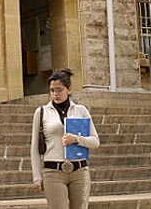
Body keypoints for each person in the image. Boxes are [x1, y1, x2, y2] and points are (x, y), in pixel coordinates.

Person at [30, 69, 100, 209]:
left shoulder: (81, 110)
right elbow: (34, 147)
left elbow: (95, 141)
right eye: (52, 90)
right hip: (53, 171)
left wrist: (77, 139)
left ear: (69, 89)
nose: (55, 94)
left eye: (59, 90)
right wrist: (37, 176)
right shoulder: (42, 112)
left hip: (79, 170)